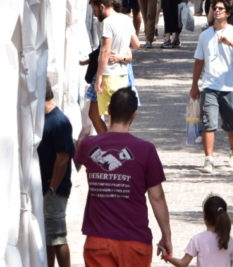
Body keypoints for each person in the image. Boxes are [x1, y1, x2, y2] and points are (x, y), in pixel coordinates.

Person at [76, 88, 173, 265]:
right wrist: (166, 235)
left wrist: (79, 142)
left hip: (98, 240)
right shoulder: (146, 150)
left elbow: (74, 166)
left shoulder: (89, 145)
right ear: (134, 115)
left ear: (109, 111)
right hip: (134, 241)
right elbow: (156, 197)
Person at [190, 0, 233, 174]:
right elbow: (198, 61)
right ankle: (209, 159)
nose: (216, 11)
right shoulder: (205, 35)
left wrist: (230, 43)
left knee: (232, 122)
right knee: (208, 122)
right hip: (210, 85)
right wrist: (194, 85)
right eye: (214, 8)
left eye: (220, 8)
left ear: (228, 12)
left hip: (231, 85)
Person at [39, 83, 75, 267]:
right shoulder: (46, 118)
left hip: (54, 189)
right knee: (49, 237)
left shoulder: (59, 121)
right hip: (47, 188)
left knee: (57, 237)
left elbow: (63, 157)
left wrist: (52, 188)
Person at [90, 0, 140, 121]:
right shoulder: (126, 19)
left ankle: (113, 141)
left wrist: (99, 77)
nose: (95, 14)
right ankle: (121, 141)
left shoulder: (107, 22)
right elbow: (136, 44)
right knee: (121, 117)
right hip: (123, 76)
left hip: (108, 75)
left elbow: (105, 50)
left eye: (95, 10)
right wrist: (122, 55)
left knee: (111, 118)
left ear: (102, 7)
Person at [165, 195, 233, 267]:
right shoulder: (230, 241)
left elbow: (183, 264)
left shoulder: (198, 239)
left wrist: (167, 256)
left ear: (205, 217)